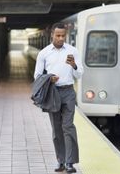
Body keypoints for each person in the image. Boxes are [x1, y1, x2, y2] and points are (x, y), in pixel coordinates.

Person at [34, 22, 84, 173]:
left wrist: (74, 65)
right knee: (56, 129)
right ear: (52, 35)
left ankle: (70, 162)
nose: (61, 38)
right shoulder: (44, 53)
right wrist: (49, 78)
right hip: (52, 93)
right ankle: (60, 161)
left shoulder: (72, 51)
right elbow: (37, 76)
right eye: (58, 35)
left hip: (68, 92)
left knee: (68, 126)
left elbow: (80, 74)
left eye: (63, 35)